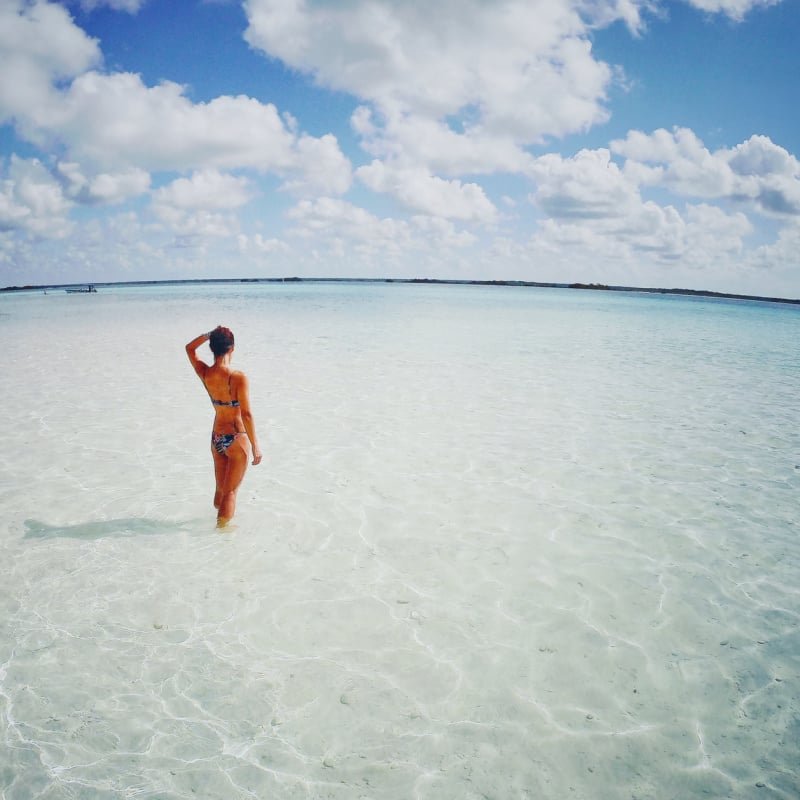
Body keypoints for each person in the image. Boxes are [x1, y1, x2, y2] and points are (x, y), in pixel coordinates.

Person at [185, 326, 262, 526]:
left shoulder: (205, 373)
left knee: (221, 491)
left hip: (216, 438)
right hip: (236, 438)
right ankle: (222, 535)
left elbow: (189, 349)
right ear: (232, 348)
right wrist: (256, 446)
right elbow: (246, 414)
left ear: (212, 347)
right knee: (230, 493)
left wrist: (208, 335)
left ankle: (217, 526)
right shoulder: (238, 377)